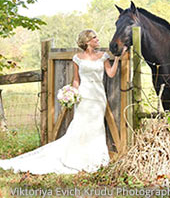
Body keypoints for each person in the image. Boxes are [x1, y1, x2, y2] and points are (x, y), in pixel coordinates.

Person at [0, 30, 126, 174]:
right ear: (87, 41)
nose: (98, 39)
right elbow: (76, 80)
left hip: (98, 97)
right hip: (84, 96)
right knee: (80, 126)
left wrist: (116, 59)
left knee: (96, 127)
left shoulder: (103, 56)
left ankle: (95, 156)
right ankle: (78, 157)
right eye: (94, 38)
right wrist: (72, 94)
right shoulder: (77, 58)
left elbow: (110, 73)